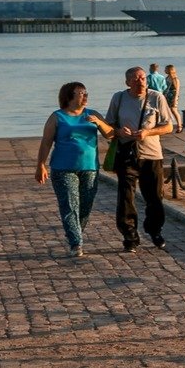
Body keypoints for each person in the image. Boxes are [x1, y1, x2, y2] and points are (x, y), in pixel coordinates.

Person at [34, 81, 116, 257]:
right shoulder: (57, 117)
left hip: (90, 168)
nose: (85, 96)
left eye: (86, 93)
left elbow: (110, 134)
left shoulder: (92, 114)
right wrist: (40, 164)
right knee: (70, 205)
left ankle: (74, 233)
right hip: (63, 168)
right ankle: (76, 243)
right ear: (69, 97)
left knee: (85, 206)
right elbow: (46, 141)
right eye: (81, 93)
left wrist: (98, 123)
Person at [104, 66, 177, 252]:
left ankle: (154, 230)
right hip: (127, 154)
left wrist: (147, 132)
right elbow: (109, 125)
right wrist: (119, 131)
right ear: (127, 82)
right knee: (126, 196)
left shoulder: (156, 97)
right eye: (136, 79)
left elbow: (168, 126)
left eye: (143, 78)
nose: (141, 82)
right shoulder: (119, 98)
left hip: (151, 155)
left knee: (155, 197)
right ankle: (130, 235)